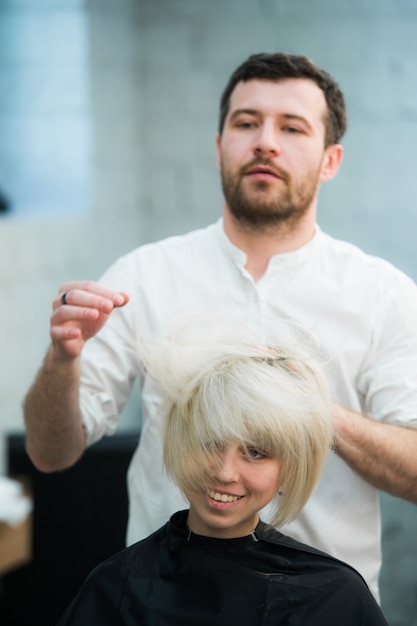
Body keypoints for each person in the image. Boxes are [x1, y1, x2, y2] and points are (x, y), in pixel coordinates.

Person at [23, 52, 417, 601]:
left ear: (331, 159)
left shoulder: (385, 295)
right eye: (246, 122)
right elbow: (49, 452)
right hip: (164, 606)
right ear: (218, 147)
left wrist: (310, 412)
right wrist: (61, 360)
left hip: (320, 610)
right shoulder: (144, 277)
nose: (266, 142)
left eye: (292, 127)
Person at [57, 318, 388, 625]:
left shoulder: (335, 596)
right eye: (210, 443)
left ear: (288, 468)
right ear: (181, 441)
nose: (226, 472)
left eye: (255, 452)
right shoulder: (116, 587)